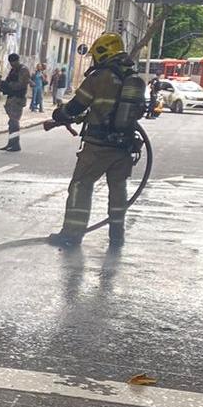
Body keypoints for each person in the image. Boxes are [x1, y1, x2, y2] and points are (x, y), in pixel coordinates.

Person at [47, 33, 147, 248]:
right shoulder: (131, 77)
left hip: (99, 146)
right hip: (124, 146)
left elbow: (76, 105)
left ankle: (71, 235)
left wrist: (59, 115)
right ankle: (117, 236)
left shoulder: (100, 77)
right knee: (118, 190)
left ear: (103, 52)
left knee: (81, 186)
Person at [0, 53, 30, 152]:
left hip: (18, 98)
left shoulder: (23, 70)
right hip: (12, 98)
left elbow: (21, 84)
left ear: (17, 61)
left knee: (14, 121)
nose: (12, 64)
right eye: (11, 63)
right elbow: (8, 80)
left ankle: (15, 144)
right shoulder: (14, 70)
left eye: (13, 62)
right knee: (11, 122)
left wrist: (9, 85)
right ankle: (11, 143)